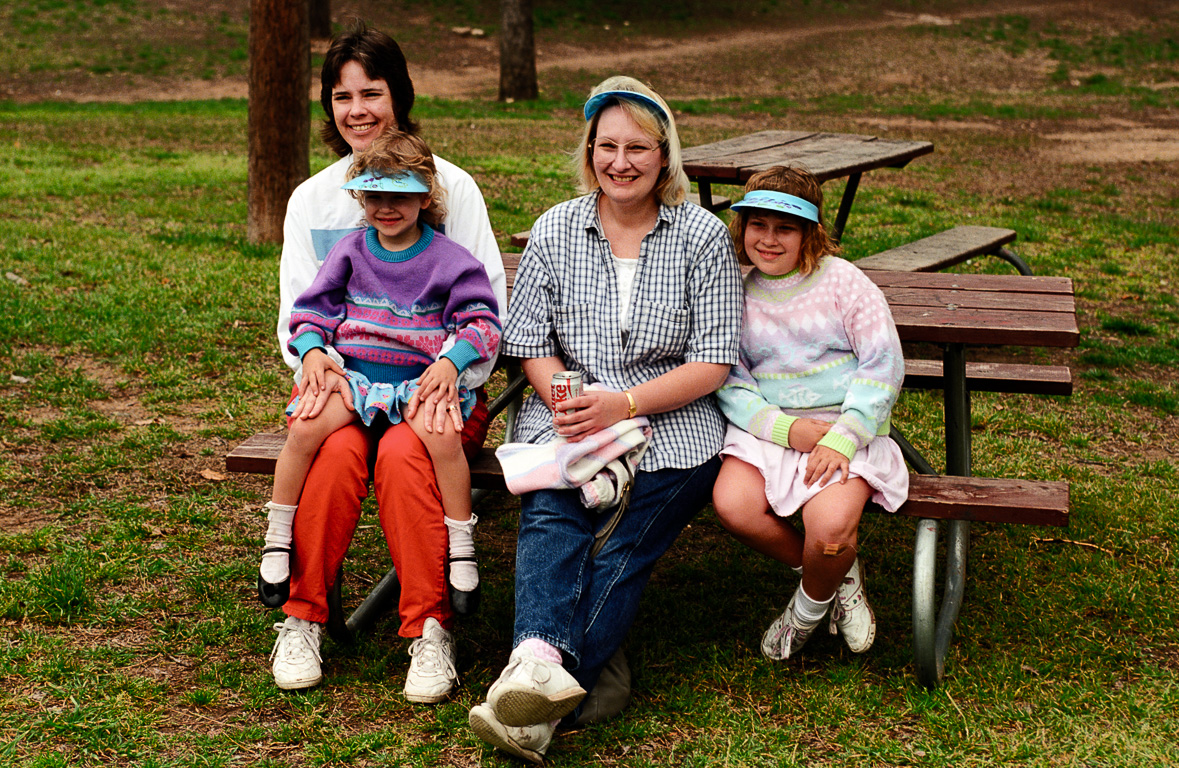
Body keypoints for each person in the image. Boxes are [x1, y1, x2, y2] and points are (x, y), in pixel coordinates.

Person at [467, 76, 744, 764]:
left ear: (664, 155)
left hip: (671, 428)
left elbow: (710, 363)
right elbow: (527, 339)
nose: (620, 161)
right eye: (606, 146)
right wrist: (565, 397)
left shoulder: (702, 237)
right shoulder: (558, 226)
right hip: (567, 422)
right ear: (588, 150)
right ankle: (548, 669)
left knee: (618, 548)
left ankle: (534, 690)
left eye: (637, 148)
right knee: (553, 518)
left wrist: (620, 405)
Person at [265, 21, 507, 704]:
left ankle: (430, 629)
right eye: (341, 97)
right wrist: (316, 362)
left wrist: (450, 376)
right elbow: (299, 312)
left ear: (397, 96)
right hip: (345, 385)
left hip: (437, 390)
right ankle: (301, 614)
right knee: (335, 454)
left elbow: (486, 307)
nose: (357, 110)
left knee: (403, 456)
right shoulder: (313, 199)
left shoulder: (448, 187)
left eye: (371, 92)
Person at [259, 130, 500, 627]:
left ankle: (461, 545)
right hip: (356, 381)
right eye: (374, 196)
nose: (386, 208)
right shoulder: (350, 251)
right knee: (305, 429)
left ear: (425, 197)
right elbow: (311, 312)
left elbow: (482, 321)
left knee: (441, 438)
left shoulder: (451, 260)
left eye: (400, 196)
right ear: (359, 198)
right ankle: (277, 538)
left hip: (418, 384)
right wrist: (310, 352)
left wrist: (452, 362)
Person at [711, 166, 908, 661]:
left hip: (843, 429)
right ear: (743, 228)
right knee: (734, 506)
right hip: (772, 428)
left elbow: (883, 363)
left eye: (786, 228)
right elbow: (728, 377)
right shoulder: (735, 290)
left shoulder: (844, 282)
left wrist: (842, 436)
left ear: (811, 233)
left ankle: (809, 605)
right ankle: (832, 576)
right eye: (758, 225)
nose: (769, 239)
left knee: (830, 533)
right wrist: (785, 428)